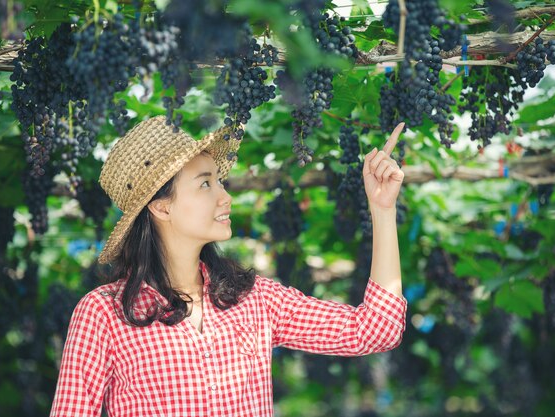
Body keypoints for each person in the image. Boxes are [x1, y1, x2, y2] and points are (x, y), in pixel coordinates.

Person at [49, 115, 408, 417]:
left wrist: (382, 209)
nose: (226, 196)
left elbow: (377, 330)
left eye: (219, 180)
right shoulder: (104, 314)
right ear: (161, 207)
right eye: (205, 183)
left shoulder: (255, 300)